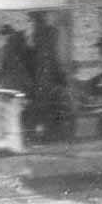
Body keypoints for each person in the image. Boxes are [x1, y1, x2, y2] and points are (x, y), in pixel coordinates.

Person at [27, 11, 72, 140]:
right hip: (43, 75)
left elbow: (52, 57)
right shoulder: (41, 33)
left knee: (47, 105)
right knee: (46, 105)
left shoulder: (43, 33)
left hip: (45, 76)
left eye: (35, 20)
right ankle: (48, 132)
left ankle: (49, 132)